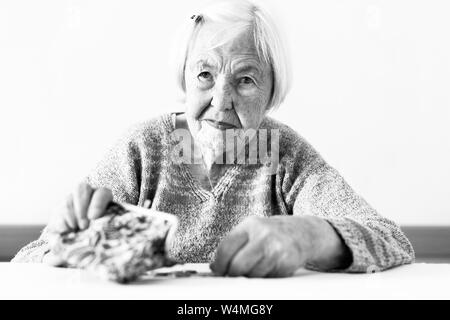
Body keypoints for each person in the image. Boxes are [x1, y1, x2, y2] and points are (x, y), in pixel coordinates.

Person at [12, 0, 414, 277]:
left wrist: (309, 235)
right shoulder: (142, 149)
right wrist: (67, 251)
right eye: (205, 74)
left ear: (272, 92)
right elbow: (30, 260)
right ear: (184, 79)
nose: (221, 102)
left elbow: (390, 239)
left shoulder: (285, 156)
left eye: (245, 79)